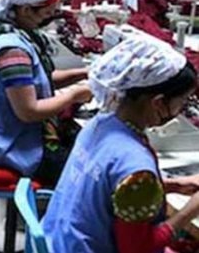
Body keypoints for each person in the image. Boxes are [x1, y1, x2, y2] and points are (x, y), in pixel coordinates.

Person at [43, 35, 199, 253]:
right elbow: (138, 250)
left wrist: (172, 185)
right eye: (182, 101)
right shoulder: (136, 167)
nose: (181, 109)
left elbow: (107, 185)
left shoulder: (100, 123)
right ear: (158, 102)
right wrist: (188, 212)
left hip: (59, 241)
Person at [0, 0, 91, 186]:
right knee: (95, 172)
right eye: (46, 13)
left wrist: (85, 73)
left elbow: (37, 80)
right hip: (12, 147)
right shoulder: (12, 51)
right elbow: (29, 111)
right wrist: (74, 95)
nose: (48, 19)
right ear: (25, 10)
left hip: (0, 133)